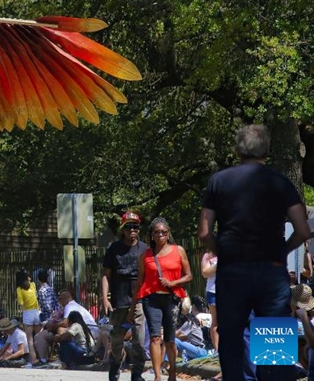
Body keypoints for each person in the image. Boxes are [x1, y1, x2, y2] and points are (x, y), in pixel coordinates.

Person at [198, 124, 310, 381]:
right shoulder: (279, 182)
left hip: (233, 272)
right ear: (266, 150)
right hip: (270, 272)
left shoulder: (218, 181)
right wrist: (283, 250)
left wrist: (223, 252)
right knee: (274, 336)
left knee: (233, 337)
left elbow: (204, 232)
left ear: (238, 150)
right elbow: (303, 230)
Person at [128, 218, 192, 381]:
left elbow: (189, 275)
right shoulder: (146, 255)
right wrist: (132, 307)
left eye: (164, 232)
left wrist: (173, 283)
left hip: (171, 299)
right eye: (157, 232)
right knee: (156, 337)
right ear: (151, 235)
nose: (161, 235)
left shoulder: (179, 251)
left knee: (170, 340)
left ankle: (172, 372)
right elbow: (140, 282)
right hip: (151, 299)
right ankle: (157, 376)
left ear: (168, 233)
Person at [102, 211, 148, 381]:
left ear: (139, 229)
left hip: (140, 299)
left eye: (135, 226)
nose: (132, 230)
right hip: (118, 299)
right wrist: (104, 298)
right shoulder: (114, 249)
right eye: (128, 227)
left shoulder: (145, 249)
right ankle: (115, 362)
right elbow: (106, 274)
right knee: (117, 336)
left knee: (139, 337)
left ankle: (137, 373)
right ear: (123, 229)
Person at [15, 270, 40, 367]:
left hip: (27, 313)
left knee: (30, 339)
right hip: (36, 312)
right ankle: (43, 357)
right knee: (39, 336)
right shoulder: (33, 285)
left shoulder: (19, 289)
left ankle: (33, 360)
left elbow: (21, 303)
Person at [200, 249, 218, 352]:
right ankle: (217, 349)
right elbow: (205, 273)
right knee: (216, 320)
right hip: (213, 291)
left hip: (230, 290)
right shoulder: (208, 256)